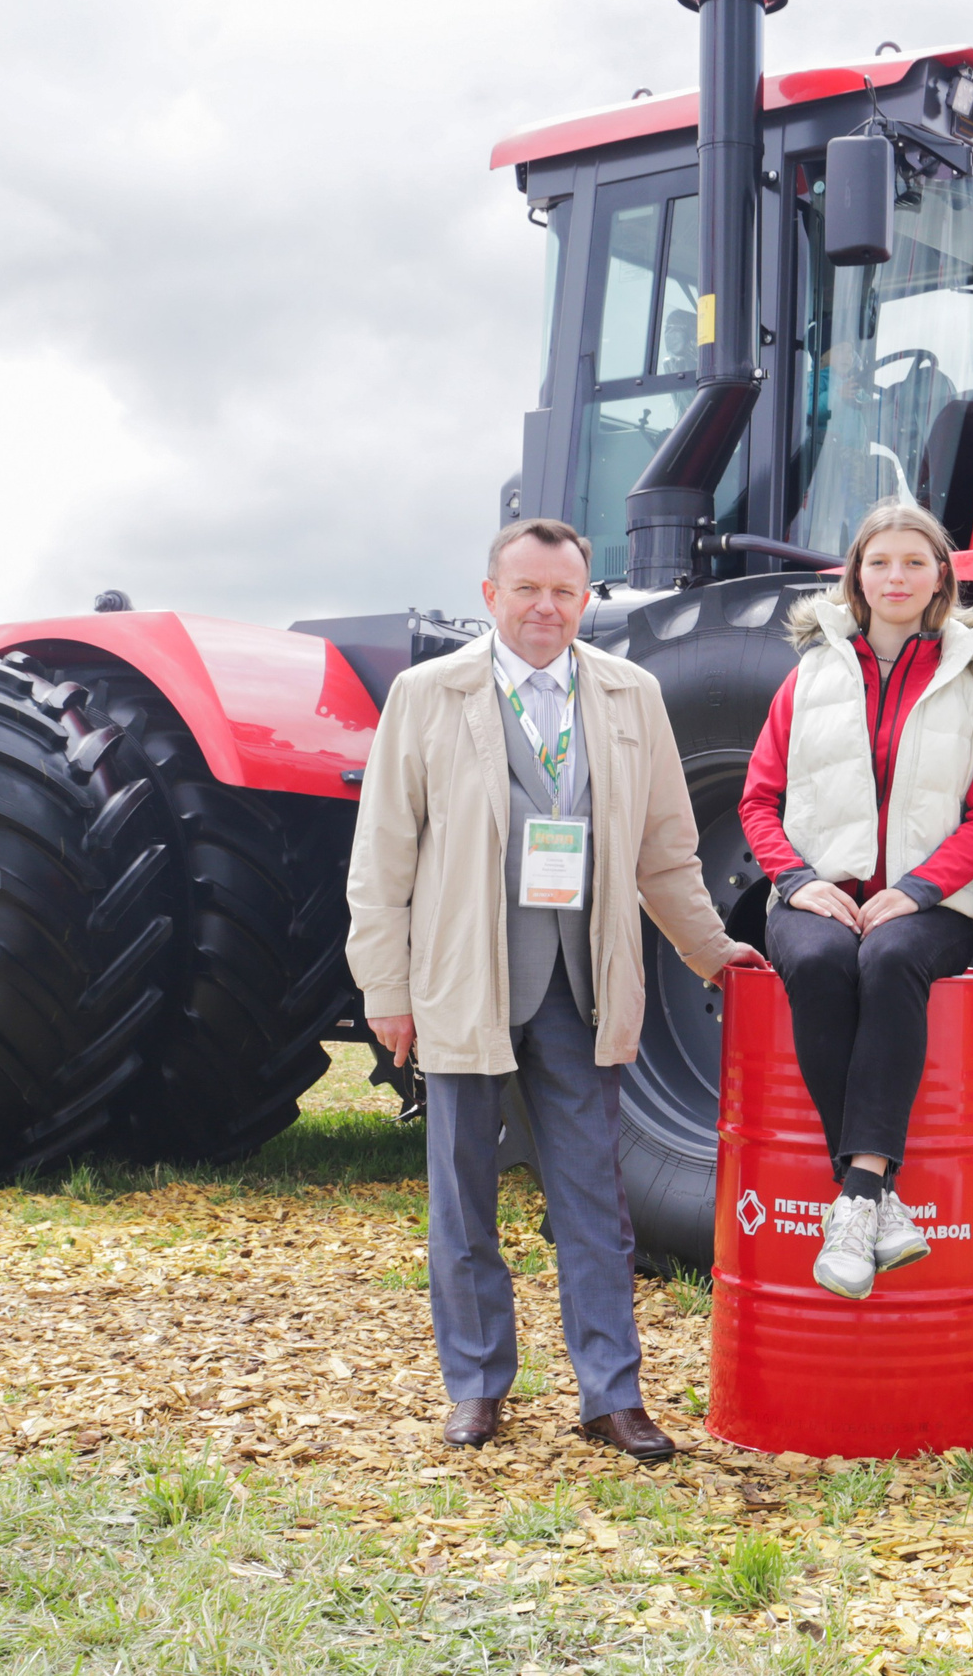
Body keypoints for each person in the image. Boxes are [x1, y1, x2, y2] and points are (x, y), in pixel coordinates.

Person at [346, 517, 763, 1462]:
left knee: (596, 1205)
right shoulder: (427, 694)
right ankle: (478, 1386)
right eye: (526, 589)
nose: (545, 607)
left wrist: (713, 950)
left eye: (564, 592)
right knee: (462, 1201)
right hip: (464, 984)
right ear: (491, 595)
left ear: (586, 600)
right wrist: (385, 984)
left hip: (582, 988)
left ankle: (611, 1395)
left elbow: (667, 851)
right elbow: (383, 857)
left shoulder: (630, 694)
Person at [737, 502, 973, 1299]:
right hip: (815, 894)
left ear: (942, 576)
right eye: (880, 563)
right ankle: (877, 1199)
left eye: (914, 562)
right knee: (824, 963)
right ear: (855, 576)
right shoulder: (809, 675)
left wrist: (918, 889)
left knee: (892, 958)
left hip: (928, 903)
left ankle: (855, 1197)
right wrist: (800, 883)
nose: (896, 577)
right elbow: (758, 800)